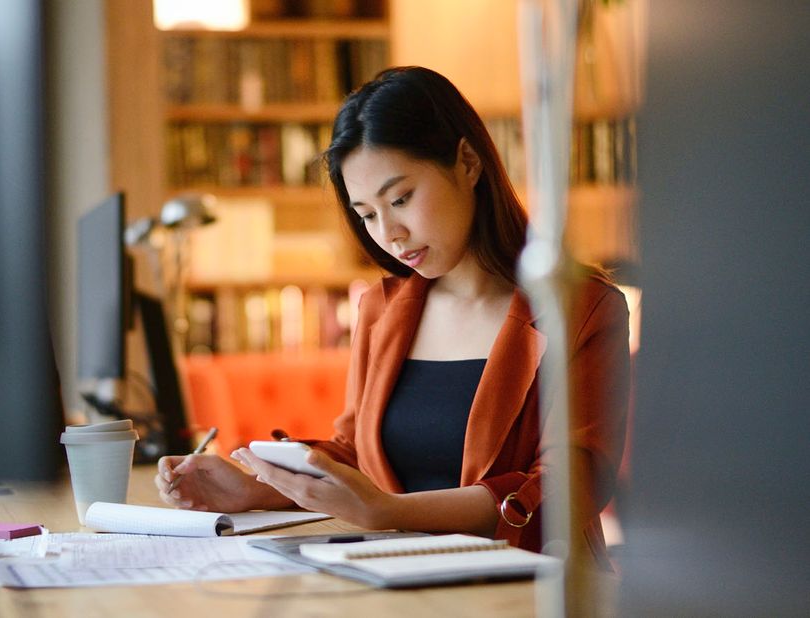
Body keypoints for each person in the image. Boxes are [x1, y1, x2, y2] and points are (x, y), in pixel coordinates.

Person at [155, 66, 629, 568]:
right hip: (402, 578)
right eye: (367, 213)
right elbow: (356, 453)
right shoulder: (383, 310)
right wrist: (253, 487)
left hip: (532, 586)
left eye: (401, 198)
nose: (390, 233)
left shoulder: (581, 309)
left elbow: (567, 487)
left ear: (468, 162)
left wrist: (390, 511)